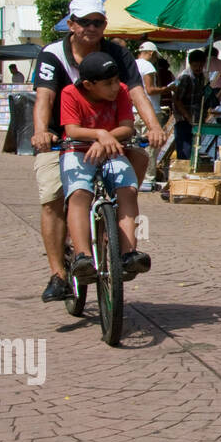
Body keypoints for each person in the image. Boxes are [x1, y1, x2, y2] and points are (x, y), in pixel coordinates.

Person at [31, 0, 164, 302]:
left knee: (136, 165)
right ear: (71, 24)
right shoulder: (52, 55)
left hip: (112, 139)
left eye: (98, 22)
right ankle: (59, 275)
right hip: (64, 139)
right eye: (84, 22)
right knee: (53, 196)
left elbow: (137, 93)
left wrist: (154, 127)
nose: (91, 28)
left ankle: (116, 237)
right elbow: (44, 99)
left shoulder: (117, 55)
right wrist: (40, 132)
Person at [60, 52, 150, 279]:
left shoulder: (120, 90)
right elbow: (72, 130)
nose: (114, 87)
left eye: (115, 81)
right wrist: (100, 135)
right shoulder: (70, 93)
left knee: (128, 190)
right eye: (107, 84)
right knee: (79, 193)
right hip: (78, 151)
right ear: (89, 85)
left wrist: (106, 140)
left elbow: (127, 126)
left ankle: (129, 253)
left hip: (112, 151)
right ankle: (82, 255)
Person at [171, 49, 213, 161]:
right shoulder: (185, 77)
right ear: (190, 64)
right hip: (184, 120)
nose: (198, 68)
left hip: (196, 119)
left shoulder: (202, 77)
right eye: (195, 66)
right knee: (185, 152)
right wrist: (188, 117)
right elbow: (177, 100)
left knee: (194, 150)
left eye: (201, 65)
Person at [134, 41, 165, 190]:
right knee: (151, 146)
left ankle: (135, 177)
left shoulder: (132, 64)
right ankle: (148, 179)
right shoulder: (148, 66)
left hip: (133, 110)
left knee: (135, 145)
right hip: (150, 110)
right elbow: (150, 90)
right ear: (151, 53)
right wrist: (168, 88)